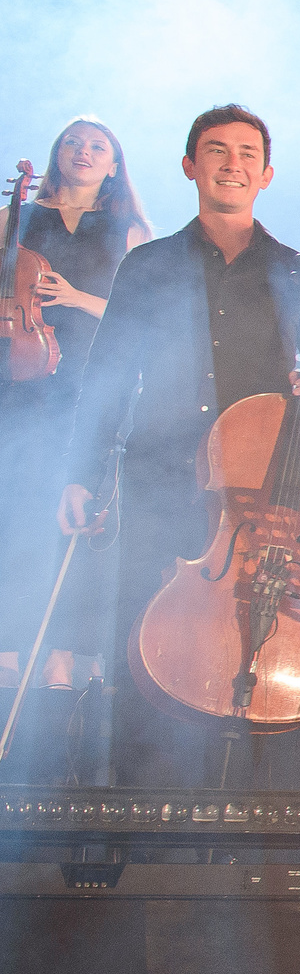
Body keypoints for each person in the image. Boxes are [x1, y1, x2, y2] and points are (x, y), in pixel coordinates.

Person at [59, 105, 300, 788]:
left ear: (266, 174)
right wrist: (80, 475)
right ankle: (138, 818)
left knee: (246, 655)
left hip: (259, 502)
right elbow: (106, 378)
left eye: (247, 153)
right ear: (191, 166)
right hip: (161, 477)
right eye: (216, 151)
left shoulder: (297, 273)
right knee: (145, 645)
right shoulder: (148, 264)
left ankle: (236, 828)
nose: (232, 163)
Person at [1, 116, 150, 703]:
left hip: (90, 379)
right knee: (16, 511)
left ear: (114, 164)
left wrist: (72, 297)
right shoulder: (18, 218)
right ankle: (8, 646)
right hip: (19, 380)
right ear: (55, 154)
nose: (82, 152)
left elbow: (138, 313)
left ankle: (63, 654)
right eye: (71, 142)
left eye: (97, 146)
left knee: (73, 513)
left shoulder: (128, 230)